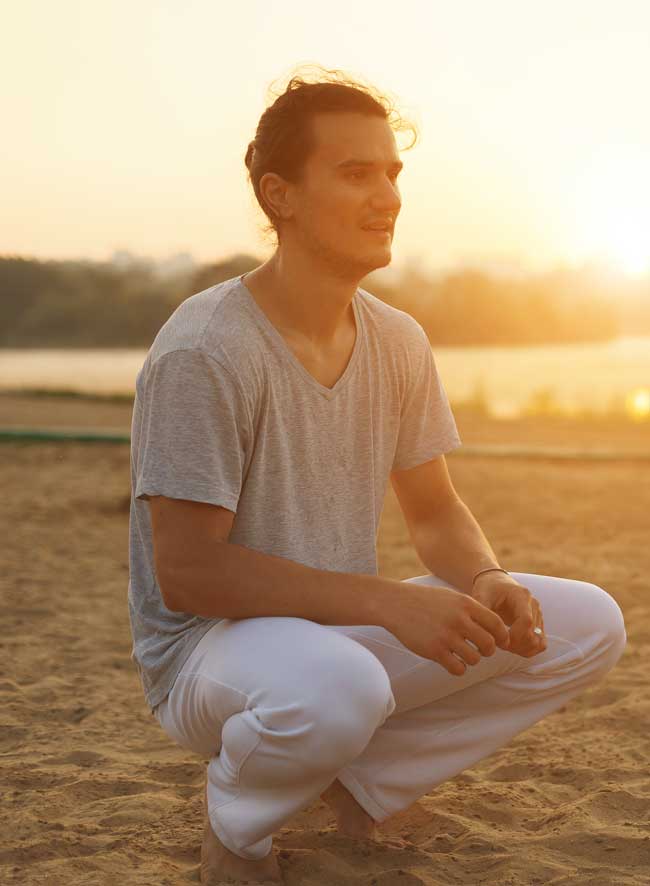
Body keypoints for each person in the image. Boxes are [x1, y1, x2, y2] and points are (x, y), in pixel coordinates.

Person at [127, 67, 627, 885]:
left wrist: (487, 577)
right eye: (356, 173)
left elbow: (434, 511)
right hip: (206, 659)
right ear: (279, 195)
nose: (387, 195)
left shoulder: (397, 340)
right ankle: (238, 826)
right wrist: (388, 603)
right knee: (341, 687)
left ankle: (361, 786)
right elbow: (187, 573)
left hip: (328, 640)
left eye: (393, 173)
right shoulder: (206, 349)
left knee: (586, 623)